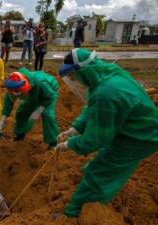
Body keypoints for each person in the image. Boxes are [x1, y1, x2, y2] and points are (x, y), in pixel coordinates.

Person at [55, 48, 158, 217]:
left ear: (84, 70)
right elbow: (93, 108)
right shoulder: (110, 77)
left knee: (100, 173)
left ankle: (74, 215)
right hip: (133, 128)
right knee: (102, 163)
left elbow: (96, 139)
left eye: (73, 75)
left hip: (141, 136)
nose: (73, 79)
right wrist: (77, 128)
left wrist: (70, 144)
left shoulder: (106, 93)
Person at [0, 68, 59, 148]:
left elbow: (50, 96)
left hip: (49, 94)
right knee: (22, 112)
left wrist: (38, 111)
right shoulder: (14, 84)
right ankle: (20, 133)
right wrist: (3, 118)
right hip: (33, 96)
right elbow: (9, 100)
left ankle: (53, 142)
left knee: (47, 115)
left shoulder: (41, 83)